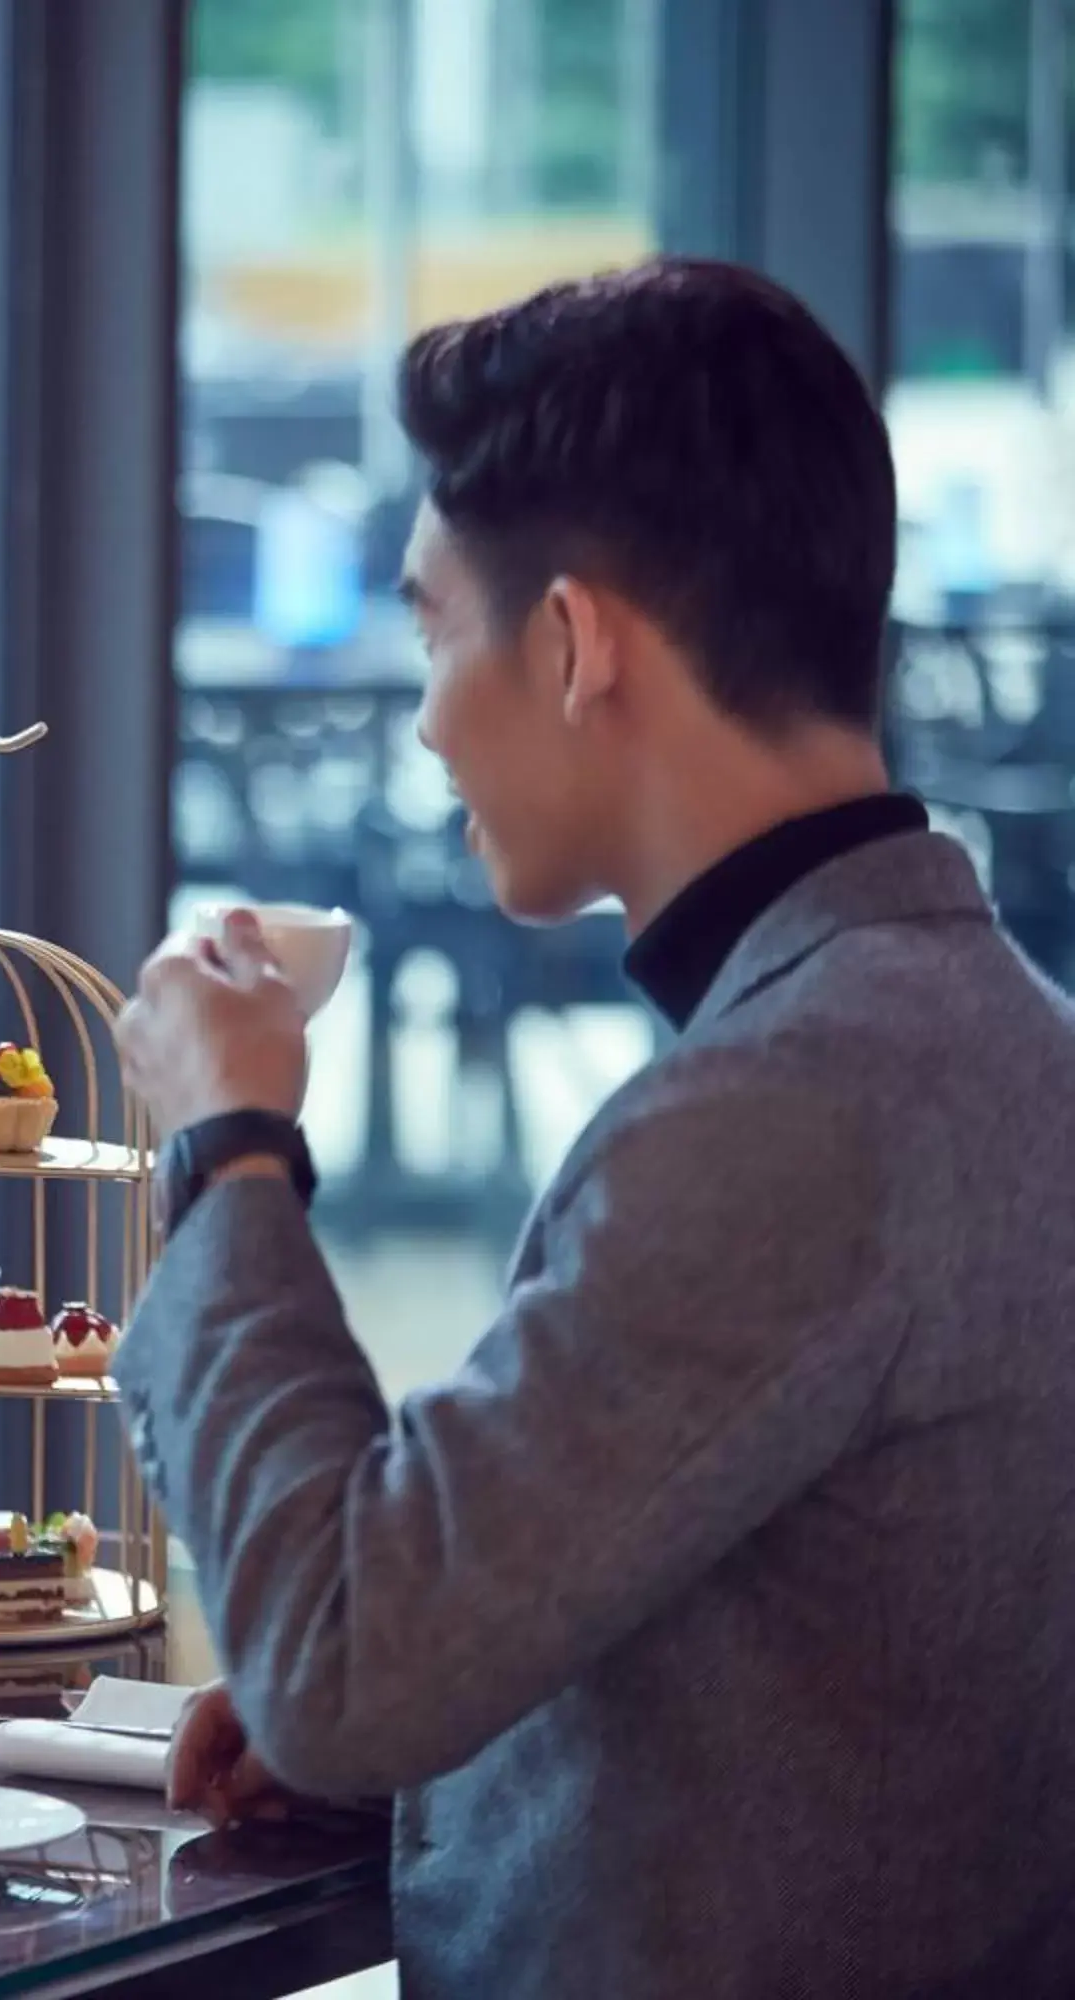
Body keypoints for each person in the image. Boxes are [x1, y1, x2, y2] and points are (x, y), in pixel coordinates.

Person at [113, 258, 1075, 1995]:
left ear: (571, 643)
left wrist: (229, 1142)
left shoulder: (789, 1113)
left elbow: (341, 1655)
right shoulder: (1009, 1046)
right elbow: (822, 1684)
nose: (420, 718)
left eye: (429, 628)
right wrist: (440, 1739)